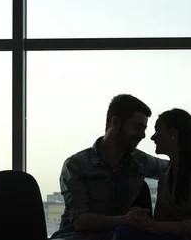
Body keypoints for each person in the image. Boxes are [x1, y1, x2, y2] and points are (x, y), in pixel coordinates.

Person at [51, 94, 170, 240]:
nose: (143, 135)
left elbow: (175, 166)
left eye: (144, 129)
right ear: (115, 122)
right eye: (137, 127)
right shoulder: (75, 165)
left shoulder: (140, 161)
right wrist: (126, 219)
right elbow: (81, 221)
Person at [112, 108, 191, 240]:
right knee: (124, 232)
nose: (153, 137)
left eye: (158, 130)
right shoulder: (166, 175)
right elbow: (160, 222)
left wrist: (156, 226)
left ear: (173, 133)